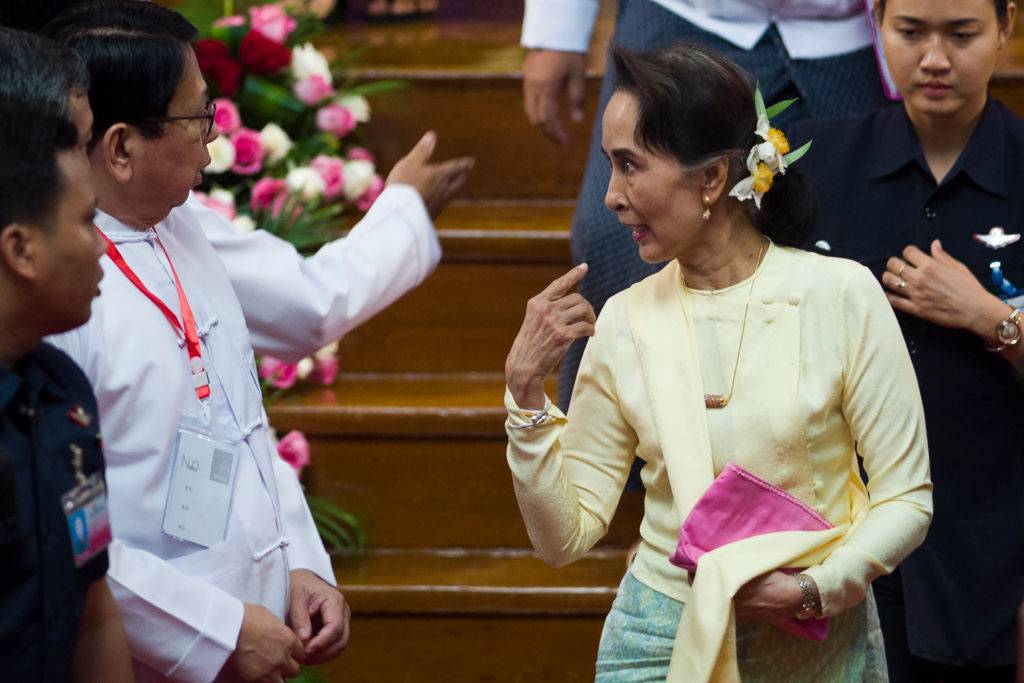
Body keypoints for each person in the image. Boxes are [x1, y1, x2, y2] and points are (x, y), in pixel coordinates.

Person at [40, 1, 470, 680]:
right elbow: (74, 541)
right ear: (120, 147)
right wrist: (221, 628)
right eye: (196, 119)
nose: (211, 143)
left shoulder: (184, 223)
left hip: (260, 619)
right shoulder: (61, 295)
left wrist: (298, 557)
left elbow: (241, 423)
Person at [504, 42, 933, 681]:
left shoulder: (839, 295)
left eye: (630, 165)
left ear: (710, 178)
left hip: (814, 631)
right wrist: (526, 396)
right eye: (609, 167)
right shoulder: (622, 319)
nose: (611, 198)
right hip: (657, 636)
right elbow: (563, 538)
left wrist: (817, 588)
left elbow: (907, 499)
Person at [790, 0, 1023, 679]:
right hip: (834, 534)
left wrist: (991, 317)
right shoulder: (812, 161)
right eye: (911, 32)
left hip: (986, 542)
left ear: (1007, 27)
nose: (935, 60)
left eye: (962, 34)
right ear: (877, 25)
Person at [521, 0, 895, 409]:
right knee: (614, 240)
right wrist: (554, 31)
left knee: (857, 240)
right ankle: (619, 459)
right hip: (682, 15)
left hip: (844, 34)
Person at [0, 28, 132, 681]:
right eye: (86, 222)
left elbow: (94, 609)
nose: (104, 246)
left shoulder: (64, 392)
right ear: (20, 249)